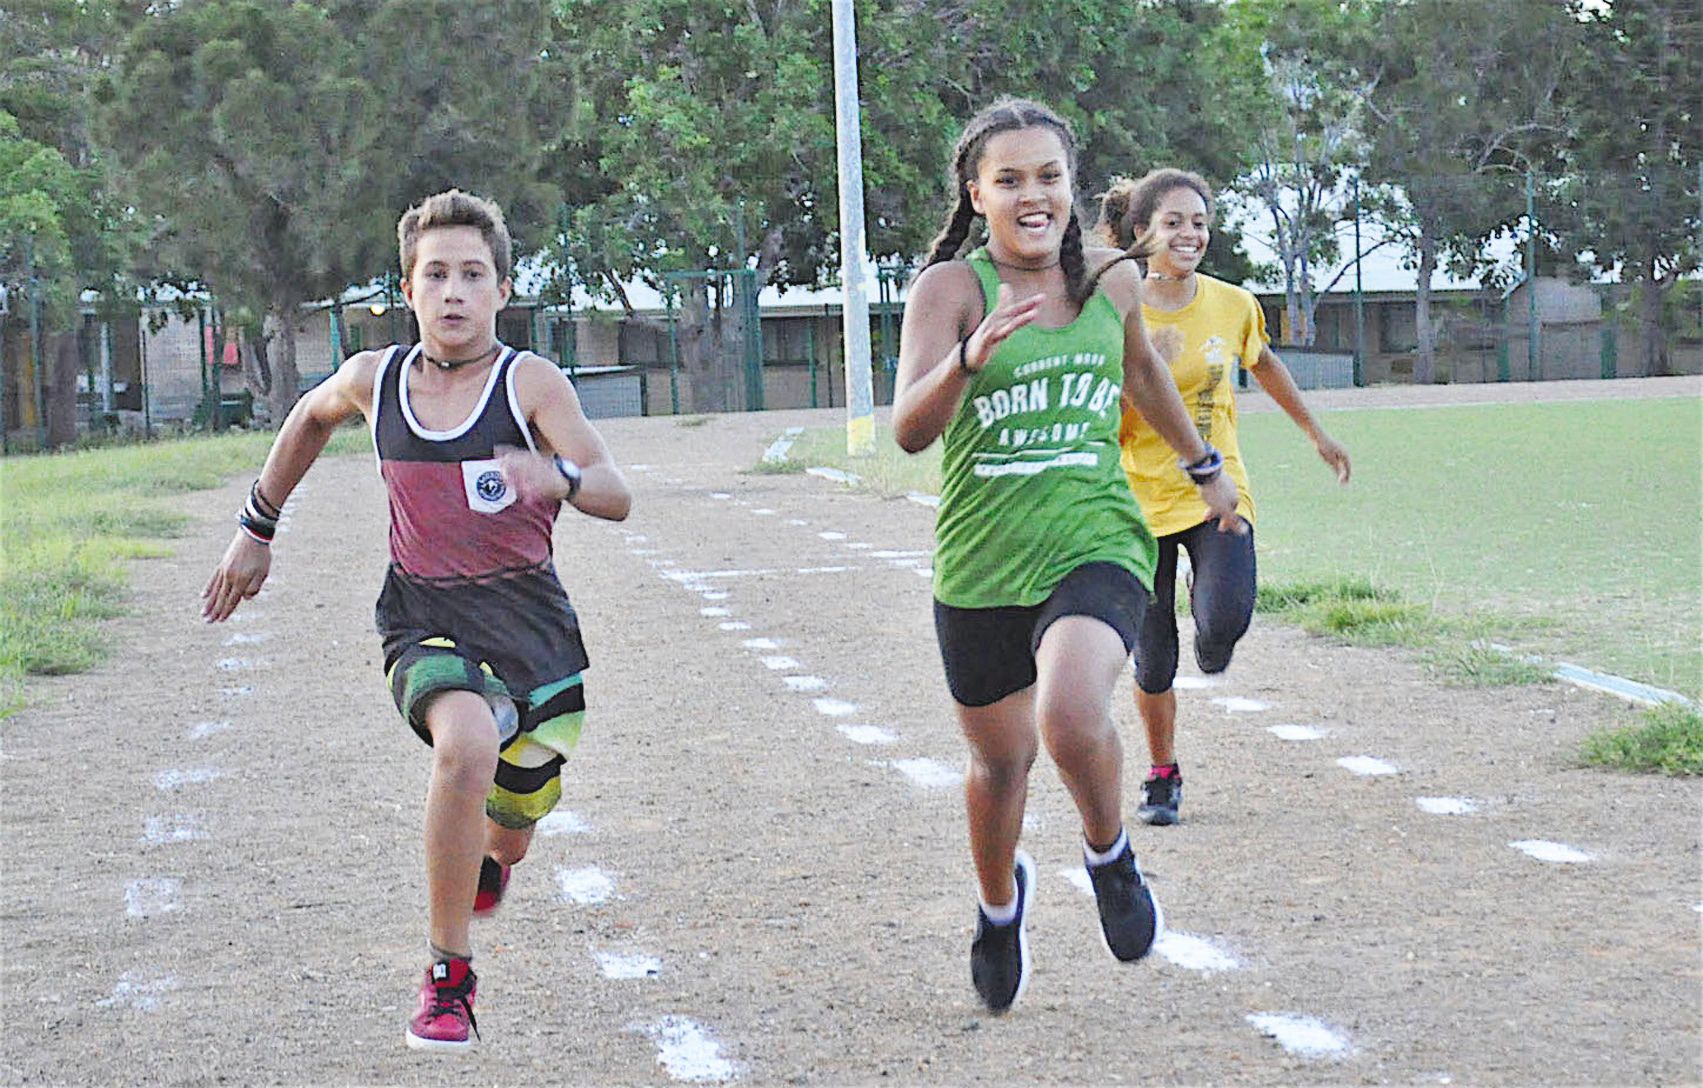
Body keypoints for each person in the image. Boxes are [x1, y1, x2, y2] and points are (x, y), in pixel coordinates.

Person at [201, 189, 632, 1052]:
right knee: (464, 745)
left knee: (511, 836)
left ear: (502, 291)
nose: (453, 293)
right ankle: (447, 978)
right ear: (408, 290)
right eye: (435, 275)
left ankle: (486, 855)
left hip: (533, 628)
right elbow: (307, 418)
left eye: (472, 275)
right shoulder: (377, 378)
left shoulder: (531, 384)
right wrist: (256, 526)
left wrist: (562, 481)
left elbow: (615, 493)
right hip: (424, 617)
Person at [892, 99, 1242, 1014]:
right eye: (1008, 180)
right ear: (977, 193)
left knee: (1070, 710)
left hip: (1094, 539)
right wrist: (964, 359)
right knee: (998, 766)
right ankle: (999, 907)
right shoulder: (949, 292)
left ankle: (1108, 854)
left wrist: (1203, 467)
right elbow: (908, 432)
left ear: (1071, 186)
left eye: (1047, 175)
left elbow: (1141, 375)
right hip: (979, 566)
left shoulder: (1110, 281)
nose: (1031, 195)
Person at [1095, 168, 1351, 827]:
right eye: (1173, 222)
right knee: (1153, 659)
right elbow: (1097, 405)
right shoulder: (1109, 304)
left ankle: (1209, 634)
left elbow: (1262, 362)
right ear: (1138, 230)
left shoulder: (1231, 303)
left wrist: (1315, 434)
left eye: (1199, 223)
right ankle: (1160, 774)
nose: (1189, 234)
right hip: (1133, 504)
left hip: (1217, 495)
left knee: (1225, 622)